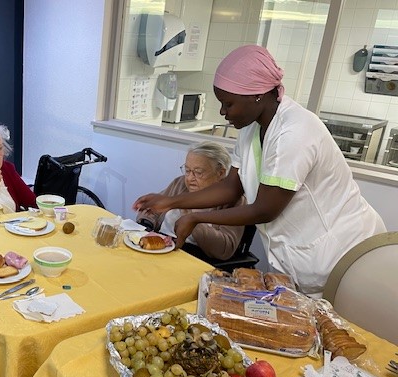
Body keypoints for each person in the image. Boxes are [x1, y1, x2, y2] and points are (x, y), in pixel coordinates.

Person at [133, 45, 386, 296]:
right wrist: (170, 201)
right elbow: (231, 187)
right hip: (303, 259)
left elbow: (265, 209)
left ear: (256, 95)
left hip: (344, 257)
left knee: (346, 334)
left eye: (228, 104)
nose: (223, 112)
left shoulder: (294, 132)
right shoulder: (251, 130)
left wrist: (196, 216)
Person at [136, 141, 246, 261]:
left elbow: (225, 249)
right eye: (187, 170)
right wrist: (147, 224)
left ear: (220, 173)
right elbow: (155, 210)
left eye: (198, 173)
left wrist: (193, 220)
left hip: (194, 258)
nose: (189, 178)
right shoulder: (180, 184)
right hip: (160, 248)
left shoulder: (234, 201)